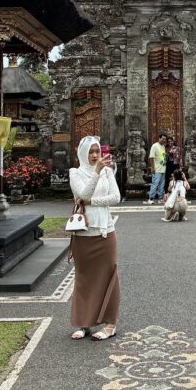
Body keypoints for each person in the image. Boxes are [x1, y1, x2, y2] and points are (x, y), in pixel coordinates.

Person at [68, 135, 121, 341]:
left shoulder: (108, 172)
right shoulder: (75, 173)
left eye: (97, 151)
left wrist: (92, 201)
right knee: (84, 277)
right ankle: (84, 323)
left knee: (109, 275)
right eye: (90, 151)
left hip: (105, 232)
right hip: (83, 232)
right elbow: (82, 194)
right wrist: (96, 173)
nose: (94, 155)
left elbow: (115, 198)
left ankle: (110, 324)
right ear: (83, 153)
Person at [147, 132, 167, 205]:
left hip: (163, 168)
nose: (164, 140)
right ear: (159, 138)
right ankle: (151, 198)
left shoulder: (163, 147)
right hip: (157, 169)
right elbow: (152, 157)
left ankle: (160, 198)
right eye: (163, 138)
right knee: (155, 183)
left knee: (162, 184)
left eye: (165, 139)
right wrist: (152, 168)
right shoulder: (154, 146)